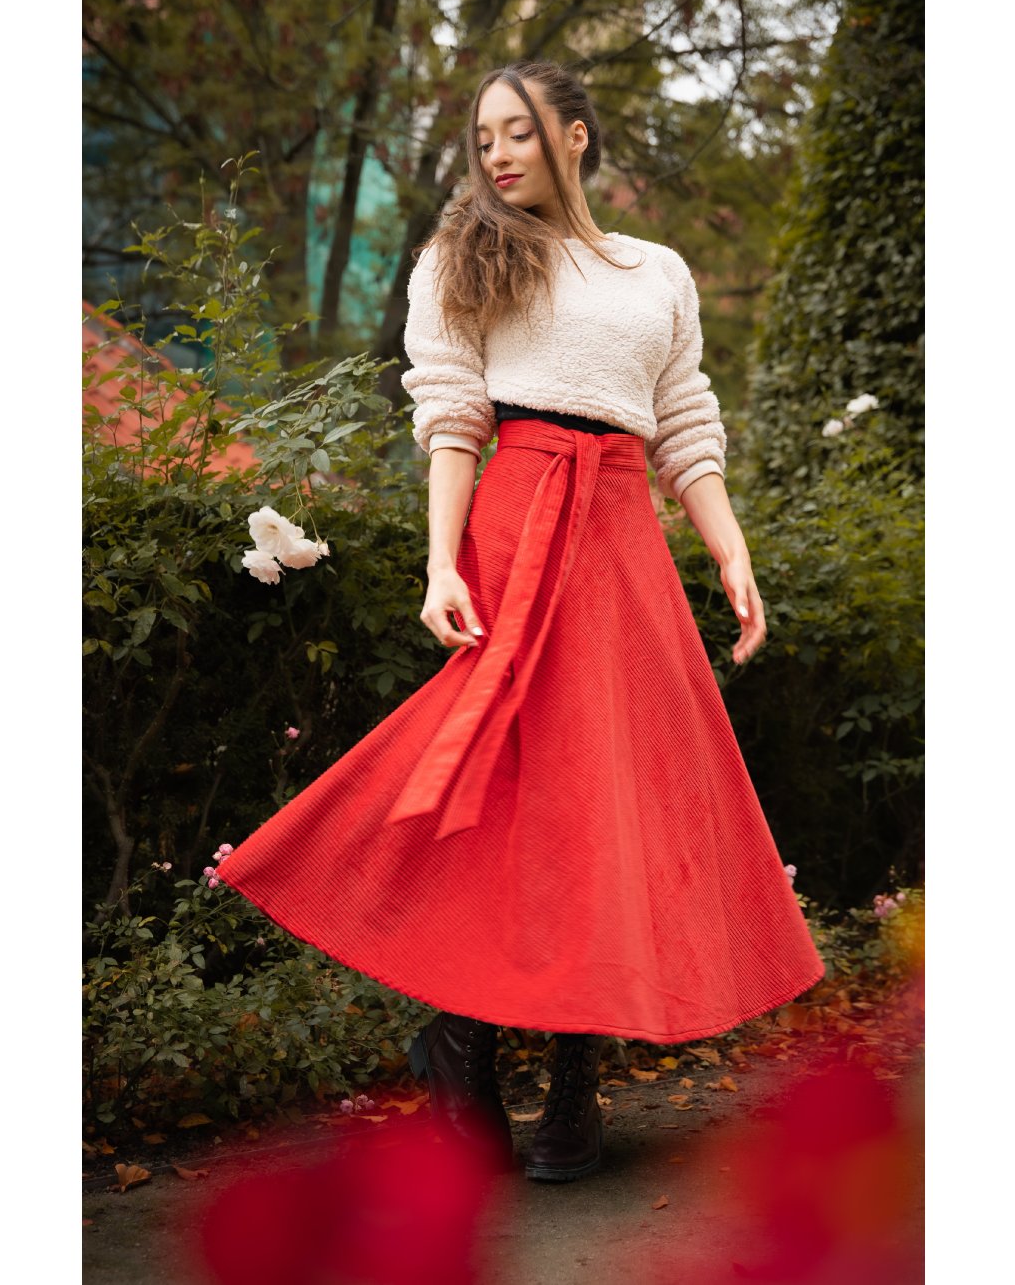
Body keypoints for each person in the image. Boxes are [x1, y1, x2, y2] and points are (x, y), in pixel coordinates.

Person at [217, 59, 825, 1185]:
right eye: (484, 136)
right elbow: (451, 416)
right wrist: (441, 562)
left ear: (575, 135)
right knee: (503, 794)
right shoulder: (464, 256)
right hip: (517, 525)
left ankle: (574, 1084)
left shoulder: (657, 272)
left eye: (520, 132)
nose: (497, 154)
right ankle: (463, 1044)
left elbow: (685, 421)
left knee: (604, 802)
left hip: (623, 541)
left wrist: (731, 550)